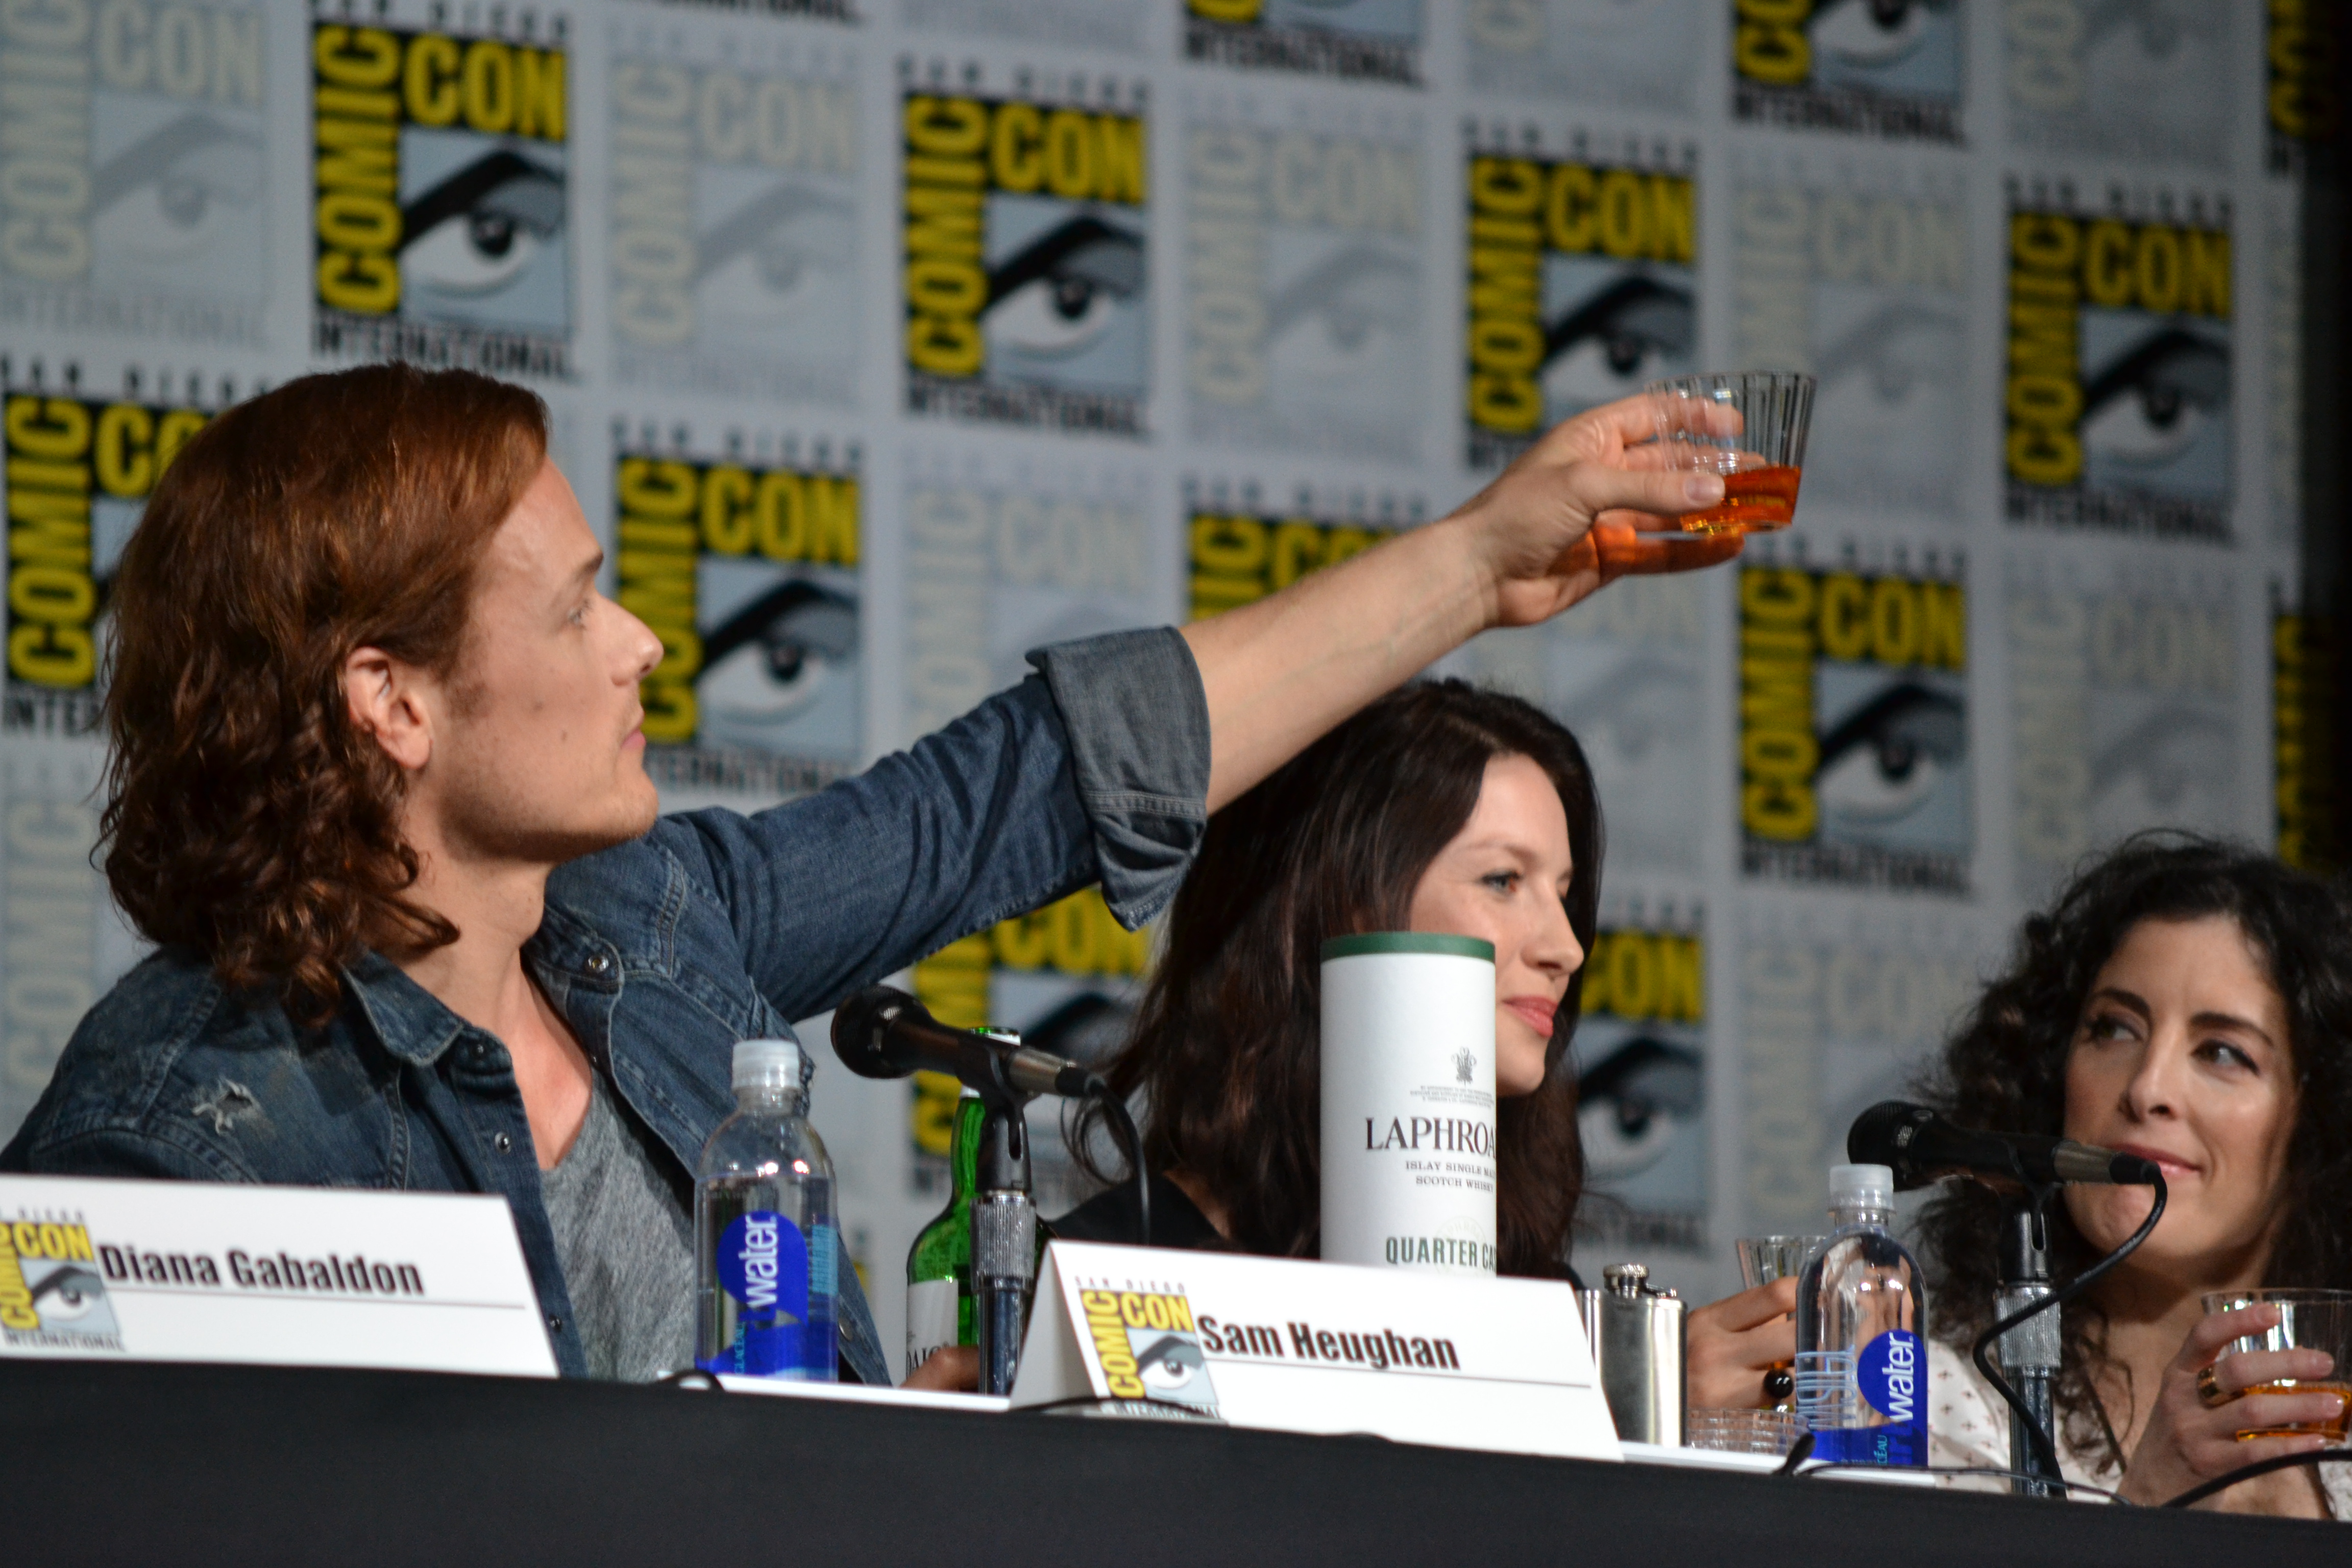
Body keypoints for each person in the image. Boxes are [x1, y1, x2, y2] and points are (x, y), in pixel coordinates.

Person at [0, 364, 1740, 1388]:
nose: (643, 641)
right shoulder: (169, 1124)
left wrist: (1480, 564)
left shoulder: (657, 928)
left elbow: (1035, 782)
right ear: (390, 701)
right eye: (578, 606)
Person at [1052, 679, 1795, 1408]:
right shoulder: (1110, 1276)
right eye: (1503, 880)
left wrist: (1633, 1403)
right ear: (1340, 907)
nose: (1566, 948)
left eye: (1564, 894)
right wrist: (1620, 1398)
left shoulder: (1537, 1309)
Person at [1916, 835, 2352, 1515]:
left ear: (2319, 1119)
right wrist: (2145, 1510)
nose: (2148, 1088)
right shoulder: (1924, 1410)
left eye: (2222, 1052)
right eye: (2114, 1029)